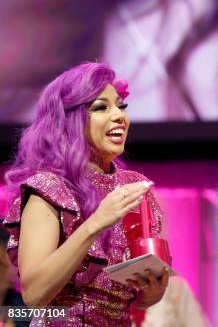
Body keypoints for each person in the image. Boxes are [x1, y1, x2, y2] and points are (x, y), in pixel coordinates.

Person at [3, 63, 169, 326]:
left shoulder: (134, 187)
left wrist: (152, 292)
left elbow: (132, 295)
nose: (119, 116)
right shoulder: (49, 188)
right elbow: (34, 295)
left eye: (120, 106)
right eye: (102, 107)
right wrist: (94, 224)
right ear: (70, 120)